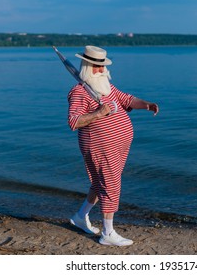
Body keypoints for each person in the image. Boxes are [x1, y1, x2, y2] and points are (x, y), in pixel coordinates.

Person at [67, 45, 159, 246]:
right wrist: (99, 113)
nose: (101, 70)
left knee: (102, 183)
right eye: (97, 67)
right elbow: (74, 121)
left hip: (117, 146)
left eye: (102, 66)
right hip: (99, 145)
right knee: (110, 184)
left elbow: (127, 99)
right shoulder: (79, 91)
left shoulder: (105, 87)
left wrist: (146, 105)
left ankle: (81, 216)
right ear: (87, 67)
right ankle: (107, 233)